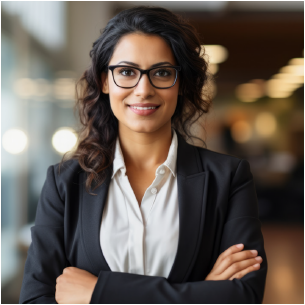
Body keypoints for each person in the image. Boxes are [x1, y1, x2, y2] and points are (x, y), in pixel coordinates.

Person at [19, 5, 267, 304]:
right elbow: (35, 299)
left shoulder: (228, 178)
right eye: (126, 72)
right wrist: (202, 291)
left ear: (181, 83)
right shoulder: (63, 183)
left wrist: (100, 293)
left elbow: (244, 295)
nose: (143, 89)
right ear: (104, 81)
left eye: (162, 73)